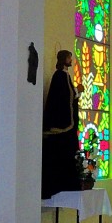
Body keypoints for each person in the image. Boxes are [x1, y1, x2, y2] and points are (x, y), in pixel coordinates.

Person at [42, 49, 79, 198]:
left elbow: (69, 95)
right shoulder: (59, 76)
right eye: (70, 58)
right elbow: (64, 98)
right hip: (61, 125)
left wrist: (76, 92)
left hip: (66, 127)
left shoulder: (65, 75)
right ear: (64, 59)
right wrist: (77, 92)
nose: (71, 60)